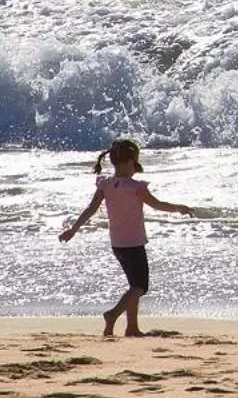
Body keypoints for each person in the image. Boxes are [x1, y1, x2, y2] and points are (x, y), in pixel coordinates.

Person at [59, 138, 195, 337]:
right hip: (134, 243)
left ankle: (132, 327)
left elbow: (90, 210)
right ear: (131, 161)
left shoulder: (106, 184)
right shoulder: (135, 187)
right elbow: (157, 205)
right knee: (140, 286)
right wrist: (179, 208)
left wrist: (73, 229)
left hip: (117, 244)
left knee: (133, 285)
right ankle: (112, 315)